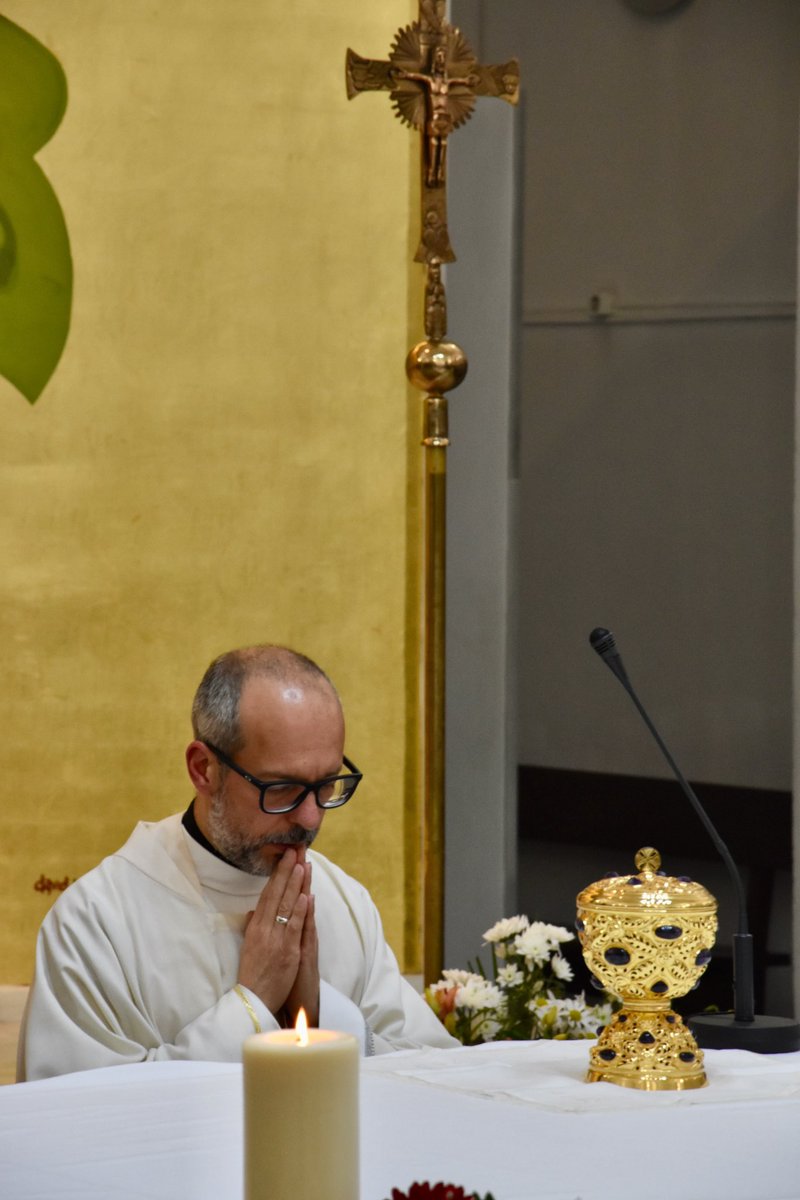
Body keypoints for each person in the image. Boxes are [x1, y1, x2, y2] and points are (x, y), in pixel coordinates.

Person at [18, 645, 457, 1080]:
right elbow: (78, 1117)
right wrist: (254, 1002)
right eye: (283, 787)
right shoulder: (96, 923)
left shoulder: (345, 901)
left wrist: (320, 1010)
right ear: (204, 769)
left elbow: (438, 1076)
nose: (310, 817)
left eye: (327, 784)